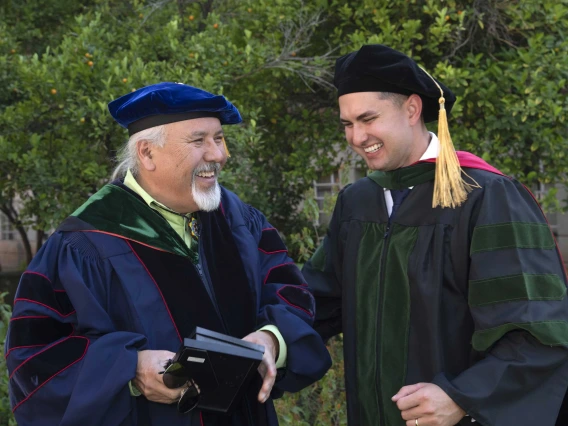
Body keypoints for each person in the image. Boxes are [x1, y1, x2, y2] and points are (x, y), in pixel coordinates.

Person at [5, 82, 331, 426]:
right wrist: (129, 368)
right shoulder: (86, 242)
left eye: (219, 138)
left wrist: (272, 338)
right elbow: (34, 358)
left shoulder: (239, 221)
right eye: (199, 140)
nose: (219, 155)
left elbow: (291, 293)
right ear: (147, 153)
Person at [302, 45, 568, 426]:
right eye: (347, 124)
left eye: (368, 119)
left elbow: (537, 332)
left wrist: (462, 398)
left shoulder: (484, 197)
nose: (357, 137)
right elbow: (316, 302)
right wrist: (266, 341)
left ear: (412, 109)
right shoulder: (357, 204)